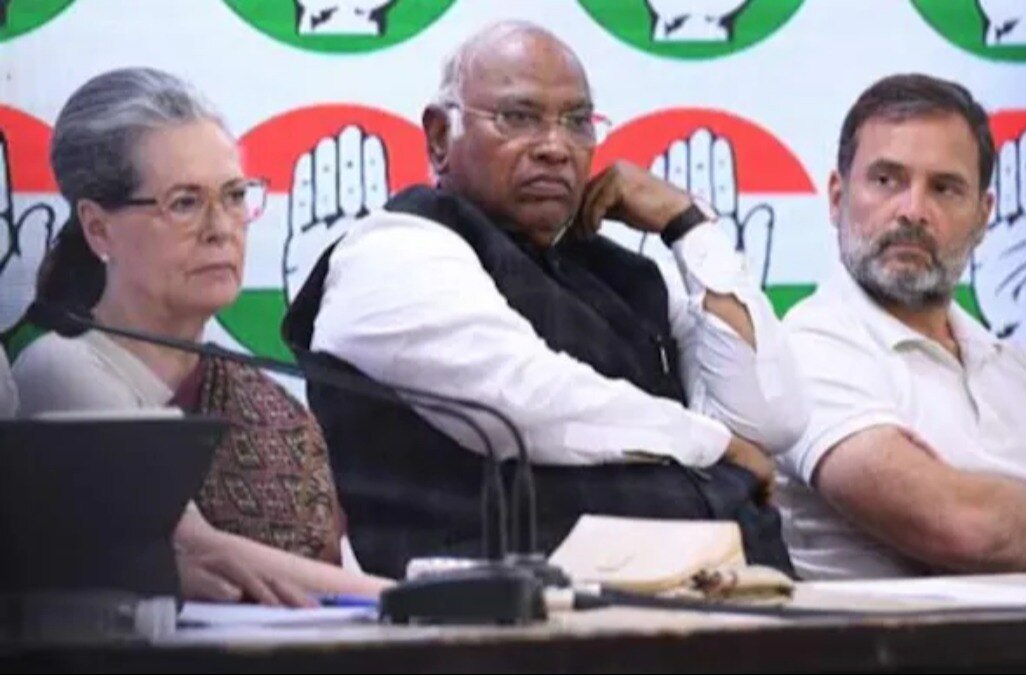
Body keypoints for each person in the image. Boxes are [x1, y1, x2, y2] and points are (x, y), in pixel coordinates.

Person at [283, 21, 805, 577]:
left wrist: (689, 226)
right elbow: (525, 399)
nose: (556, 147)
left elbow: (770, 420)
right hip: (493, 631)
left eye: (577, 122)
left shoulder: (624, 274)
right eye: (519, 118)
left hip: (706, 604)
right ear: (439, 137)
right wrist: (712, 445)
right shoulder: (390, 249)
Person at [776, 73, 1026, 579]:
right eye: (887, 180)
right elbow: (959, 527)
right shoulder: (805, 346)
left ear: (983, 216)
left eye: (945, 188)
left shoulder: (1025, 370)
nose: (912, 211)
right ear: (837, 198)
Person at [11, 67, 392, 605]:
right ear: (99, 228)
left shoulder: (273, 407)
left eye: (234, 196)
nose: (222, 227)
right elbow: (206, 551)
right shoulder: (56, 371)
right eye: (185, 202)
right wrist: (410, 600)